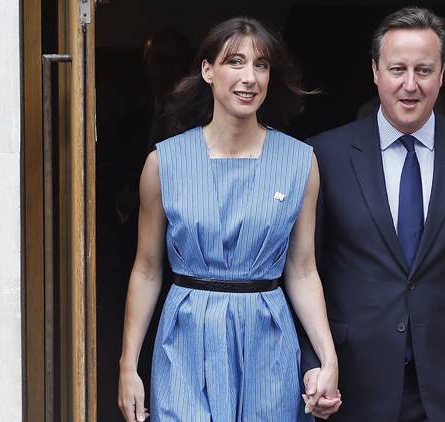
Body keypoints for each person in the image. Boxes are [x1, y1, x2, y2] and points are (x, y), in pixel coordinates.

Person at [303, 7, 445, 422]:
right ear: (375, 72)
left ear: (442, 74)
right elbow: (304, 269)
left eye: (423, 70)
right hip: (352, 380)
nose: (410, 85)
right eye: (397, 69)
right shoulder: (325, 155)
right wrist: (312, 364)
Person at [117, 17, 340, 422]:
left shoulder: (299, 162)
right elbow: (147, 269)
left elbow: (303, 269)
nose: (249, 77)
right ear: (207, 70)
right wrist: (128, 366)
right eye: (235, 61)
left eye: (261, 65)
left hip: (267, 340)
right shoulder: (164, 163)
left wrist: (328, 357)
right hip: (185, 340)